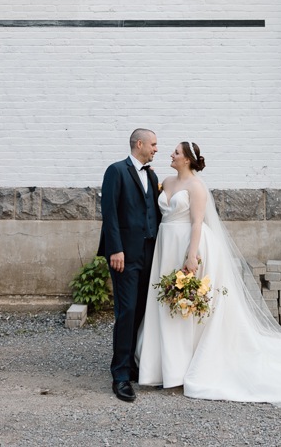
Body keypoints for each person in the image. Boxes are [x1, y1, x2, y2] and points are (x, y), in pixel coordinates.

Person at [136, 141, 281, 403]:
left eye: (176, 152)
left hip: (188, 245)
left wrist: (191, 255)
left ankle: (187, 364)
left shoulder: (196, 187)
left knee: (192, 302)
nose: (170, 154)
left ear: (186, 160)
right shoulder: (167, 181)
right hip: (166, 244)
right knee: (168, 300)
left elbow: (197, 222)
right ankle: (164, 364)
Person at [99, 128, 161, 402]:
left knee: (140, 312)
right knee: (126, 312)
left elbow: (153, 212)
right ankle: (120, 375)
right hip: (124, 254)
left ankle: (133, 363)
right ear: (140, 144)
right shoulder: (116, 171)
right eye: (153, 144)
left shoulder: (153, 174)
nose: (156, 149)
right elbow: (110, 212)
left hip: (149, 252)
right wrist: (115, 249)